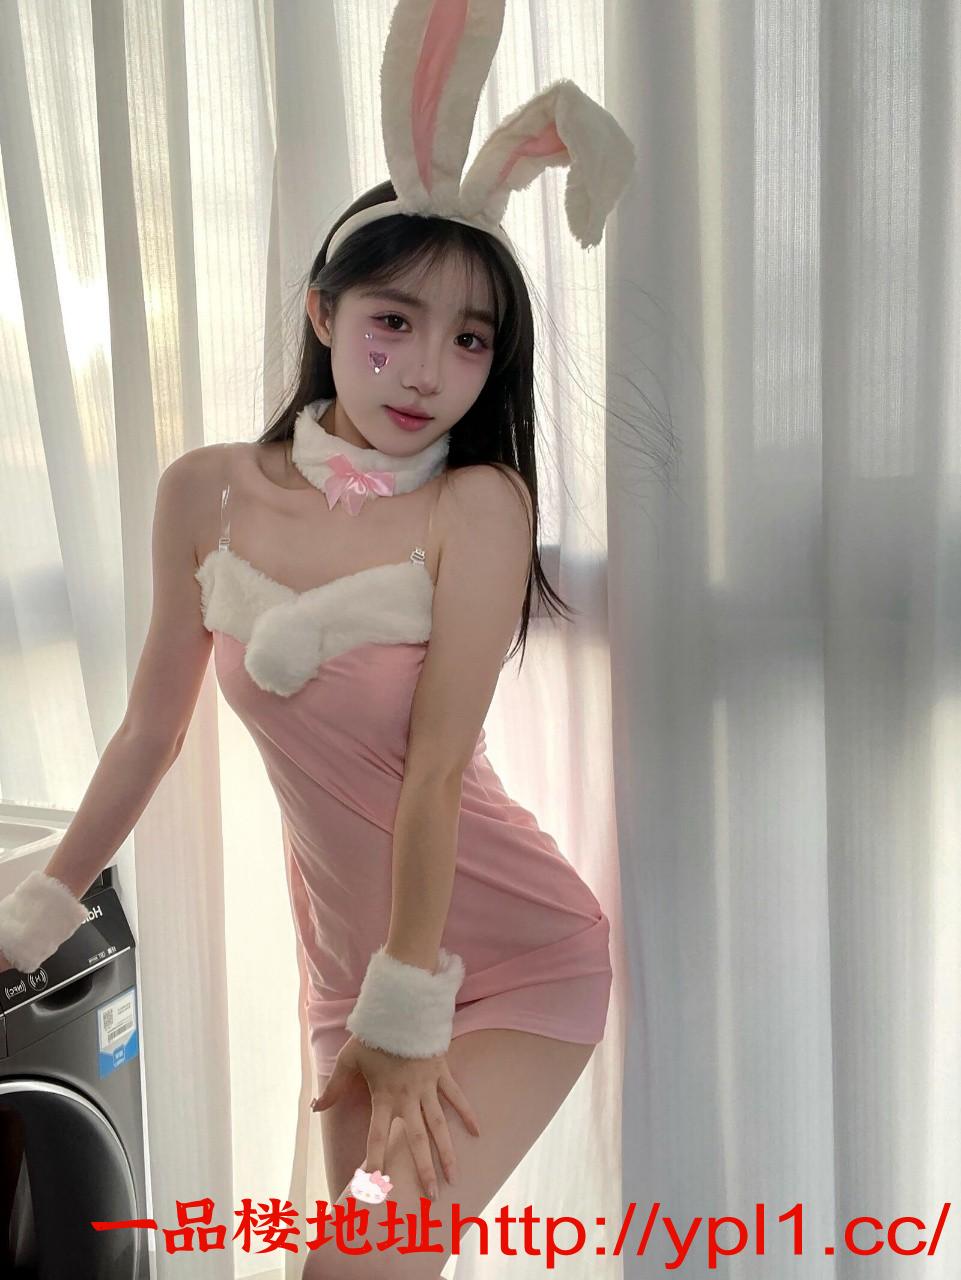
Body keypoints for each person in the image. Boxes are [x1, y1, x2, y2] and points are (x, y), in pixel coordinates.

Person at [0, 1, 636, 1274]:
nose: (427, 370)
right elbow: (148, 732)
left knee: (351, 1263)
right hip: (351, 971)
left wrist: (408, 1010)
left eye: (470, 340)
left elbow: (437, 771)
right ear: (322, 312)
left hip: (501, 959)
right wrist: (28, 922)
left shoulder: (478, 505)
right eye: (393, 320)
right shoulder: (206, 491)